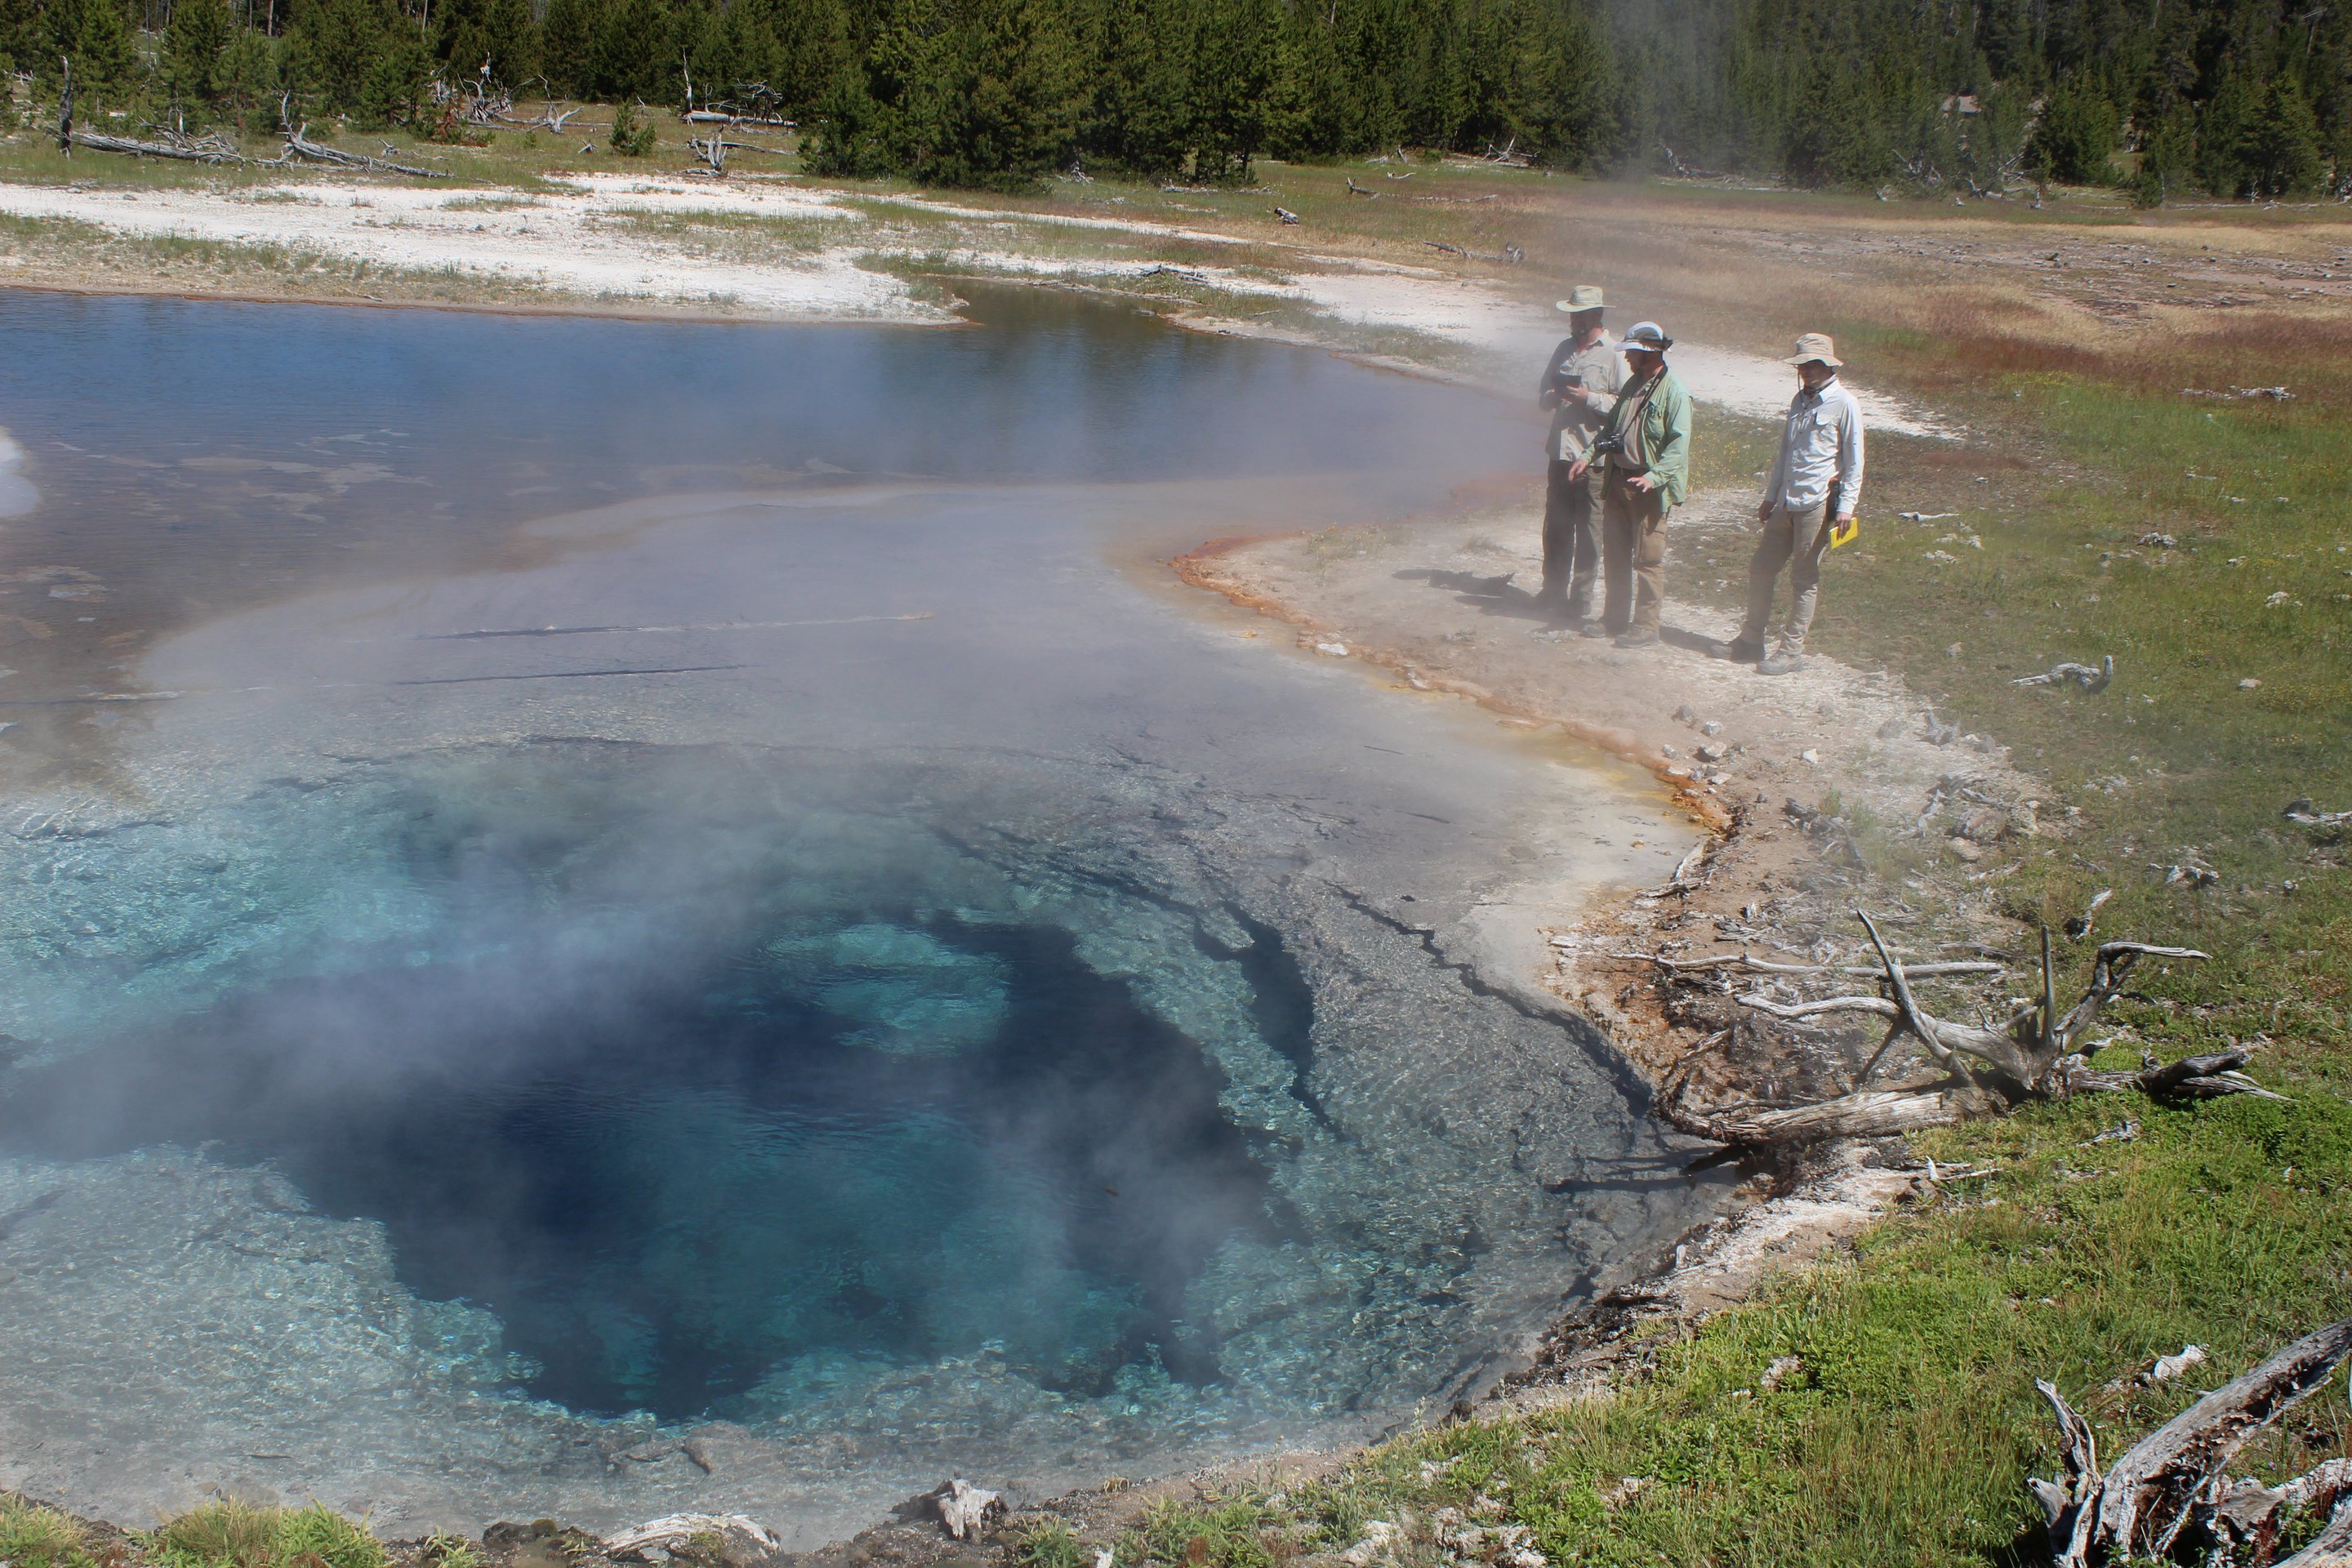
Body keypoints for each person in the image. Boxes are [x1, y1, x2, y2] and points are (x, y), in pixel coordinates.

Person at [1720, 332, 1865, 675]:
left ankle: (1791, 651)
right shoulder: (1798, 401)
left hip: (1818, 503)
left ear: (1828, 365)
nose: (1806, 371)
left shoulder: (1845, 403)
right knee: (1761, 568)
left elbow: (1855, 461)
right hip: (1786, 501)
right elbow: (1785, 454)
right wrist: (1770, 496)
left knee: (1804, 578)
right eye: (1801, 365)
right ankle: (1751, 641)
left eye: (1812, 364)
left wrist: (1846, 507)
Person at [1570, 320, 1690, 648]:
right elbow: (1612, 431)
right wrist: (1588, 454)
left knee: (1648, 561)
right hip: (1619, 481)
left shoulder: (1675, 393)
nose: (1626, 359)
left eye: (1632, 353)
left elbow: (1678, 449)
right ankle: (1614, 618)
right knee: (1616, 556)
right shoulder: (1632, 385)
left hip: (1650, 490)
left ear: (1647, 353)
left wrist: (1652, 478)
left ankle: (1647, 627)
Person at [1533, 286, 1624, 626]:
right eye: (1572, 314)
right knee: (1555, 526)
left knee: (1588, 530)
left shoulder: (1615, 354)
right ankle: (1552, 590)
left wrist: (1588, 397)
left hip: (1593, 456)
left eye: (1579, 314)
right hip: (1559, 452)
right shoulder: (1563, 348)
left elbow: (1624, 407)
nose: (1573, 320)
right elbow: (1542, 392)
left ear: (1596, 315)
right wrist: (1550, 398)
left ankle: (1581, 598)